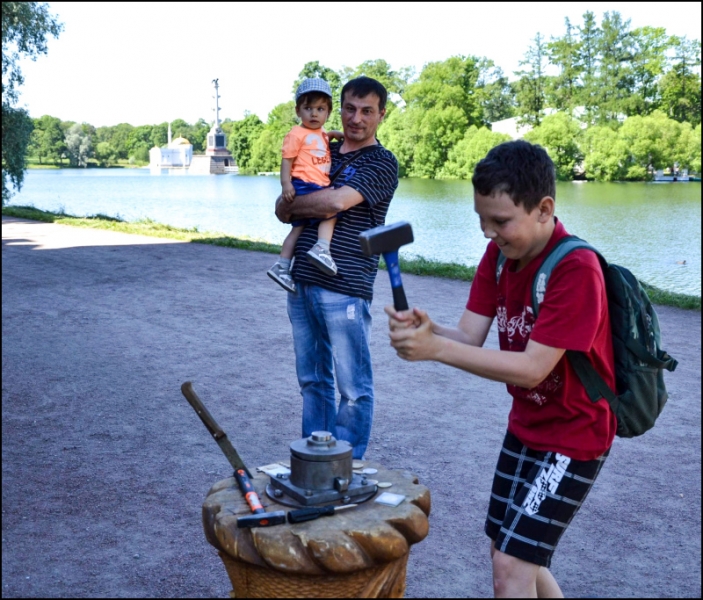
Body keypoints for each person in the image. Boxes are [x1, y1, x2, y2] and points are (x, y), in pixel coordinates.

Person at [385, 140, 616, 598]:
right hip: (528, 427)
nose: (488, 233)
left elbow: (531, 369)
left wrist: (434, 350)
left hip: (575, 436)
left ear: (544, 208)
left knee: (512, 563)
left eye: (501, 221)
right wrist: (432, 330)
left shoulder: (576, 269)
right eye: (481, 220)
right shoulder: (500, 256)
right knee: (506, 548)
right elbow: (469, 336)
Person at [275, 76, 399, 459]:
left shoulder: (381, 162)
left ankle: (346, 466)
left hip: (344, 285)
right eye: (349, 108)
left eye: (366, 111)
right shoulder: (322, 149)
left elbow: (331, 204)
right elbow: (281, 210)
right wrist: (295, 203)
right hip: (301, 283)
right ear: (337, 108)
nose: (356, 118)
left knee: (353, 387)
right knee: (312, 381)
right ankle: (316, 461)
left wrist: (299, 203)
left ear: (381, 115)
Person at [267, 77, 341, 293]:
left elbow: (321, 139)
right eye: (308, 108)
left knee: (298, 228)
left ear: (327, 112)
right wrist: (286, 185)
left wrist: (334, 134)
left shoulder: (320, 134)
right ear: (298, 111)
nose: (314, 114)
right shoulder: (296, 133)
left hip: (315, 184)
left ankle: (281, 267)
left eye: (320, 109)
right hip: (306, 184)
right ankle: (322, 248)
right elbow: (287, 160)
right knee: (331, 213)